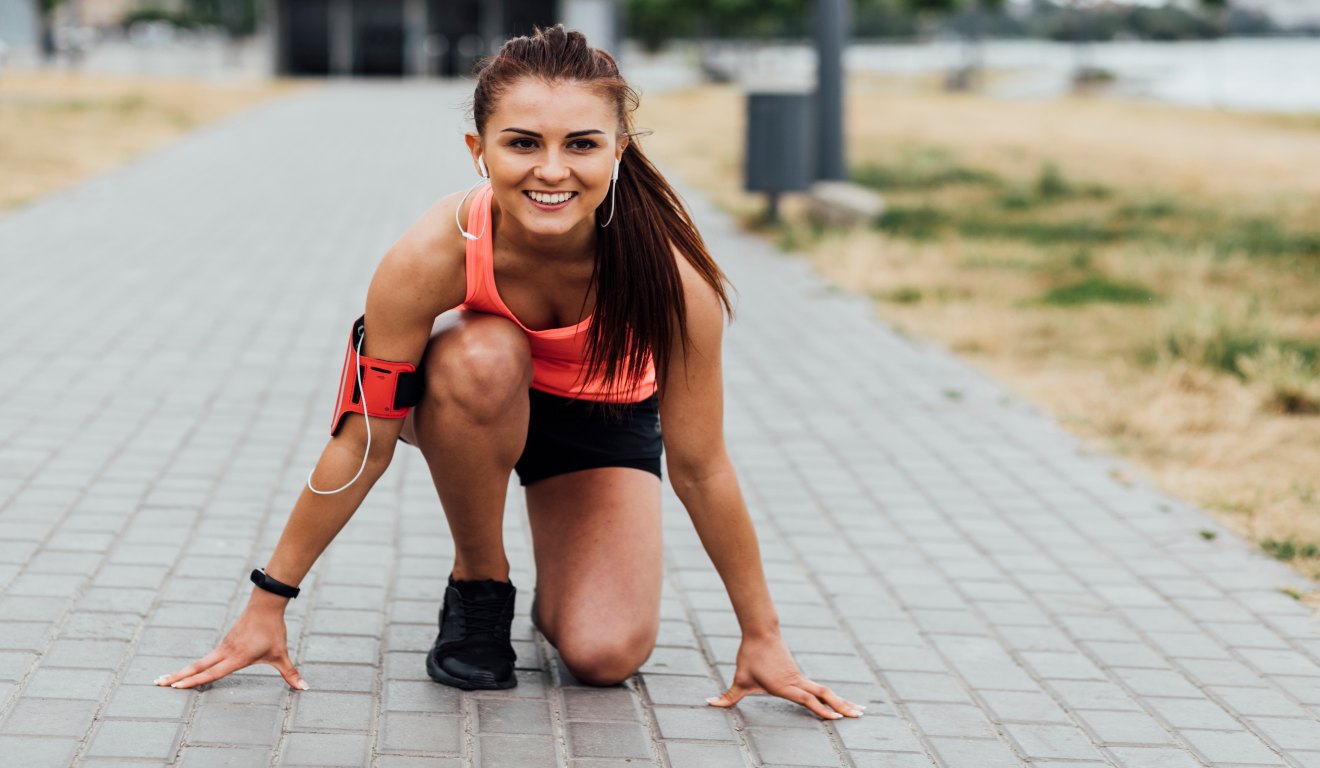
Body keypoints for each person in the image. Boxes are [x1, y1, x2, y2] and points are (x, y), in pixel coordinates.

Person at [156, 25, 862, 721]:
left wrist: (762, 635)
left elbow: (702, 468)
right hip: (473, 399)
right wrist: (266, 602)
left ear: (619, 150)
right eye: (522, 142)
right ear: (478, 150)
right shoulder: (434, 251)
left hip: (601, 422)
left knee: (604, 656)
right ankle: (480, 583)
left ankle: (556, 581)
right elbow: (362, 437)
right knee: (483, 352)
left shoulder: (672, 279)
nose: (551, 170)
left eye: (581, 144)